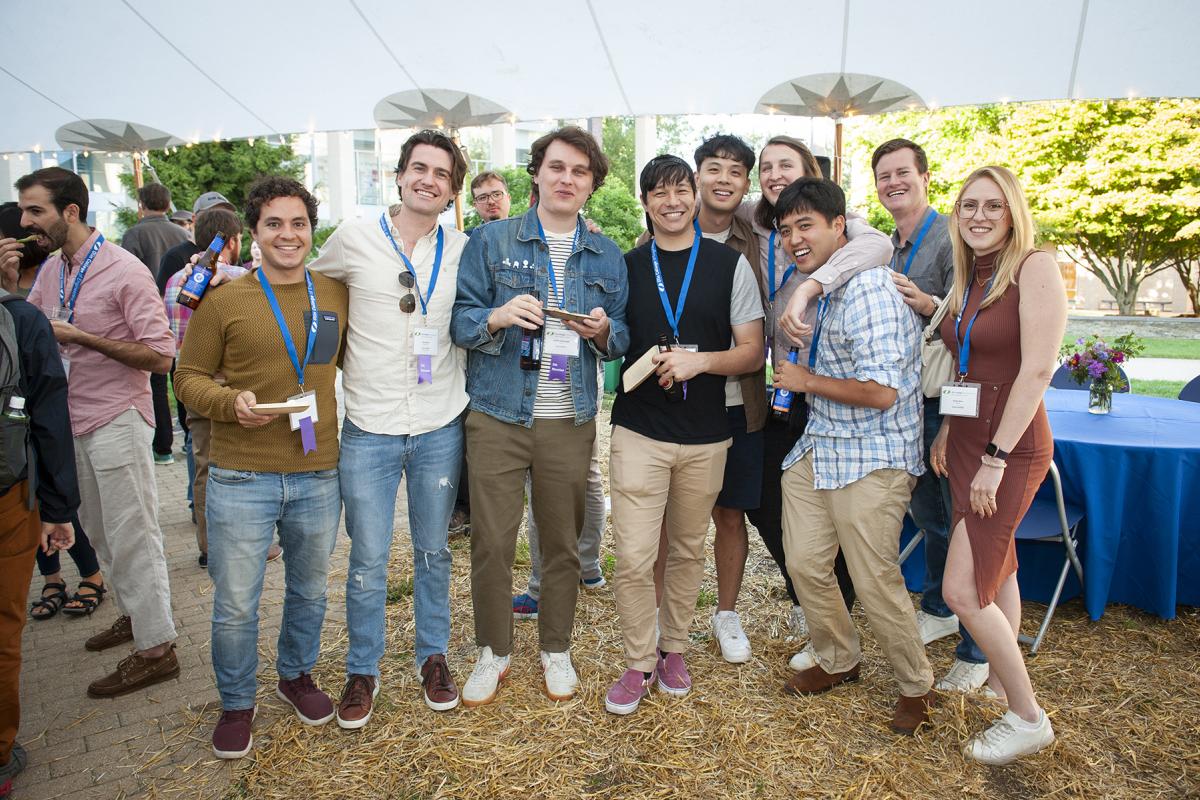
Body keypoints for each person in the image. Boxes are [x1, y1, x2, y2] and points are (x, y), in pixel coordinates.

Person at [451, 125, 628, 707]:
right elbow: (461, 320)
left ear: (591, 185)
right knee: (493, 543)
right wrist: (498, 317)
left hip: (569, 418)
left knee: (562, 543)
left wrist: (603, 331)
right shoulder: (491, 240)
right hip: (498, 415)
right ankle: (494, 652)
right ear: (537, 173)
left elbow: (621, 334)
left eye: (579, 172)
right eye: (557, 167)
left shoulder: (606, 255)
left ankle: (556, 647)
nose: (567, 179)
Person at [174, 176, 348, 759]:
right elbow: (186, 376)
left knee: (308, 592)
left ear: (311, 230)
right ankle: (236, 703)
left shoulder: (333, 294)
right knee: (236, 602)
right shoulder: (225, 300)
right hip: (241, 473)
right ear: (253, 233)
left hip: (317, 468)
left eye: (298, 223)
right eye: (274, 223)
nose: (287, 234)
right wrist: (229, 403)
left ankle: (296, 675)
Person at [308, 129, 471, 725]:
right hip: (369, 423)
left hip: (438, 422)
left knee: (433, 551)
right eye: (419, 169)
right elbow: (304, 286)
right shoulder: (352, 239)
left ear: (452, 190)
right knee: (369, 557)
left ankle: (433, 656)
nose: (429, 180)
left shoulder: (462, 248)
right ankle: (362, 669)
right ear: (398, 176)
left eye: (442, 174)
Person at [772, 178, 934, 735]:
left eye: (806, 226)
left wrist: (805, 380)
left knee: (872, 578)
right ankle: (839, 658)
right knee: (806, 564)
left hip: (874, 454)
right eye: (786, 229)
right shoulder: (828, 284)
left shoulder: (867, 288)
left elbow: (884, 392)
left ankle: (917, 685)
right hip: (822, 444)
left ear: (840, 226)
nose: (795, 239)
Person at [605, 156, 763, 715]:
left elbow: (752, 350)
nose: (671, 201)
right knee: (633, 555)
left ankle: (674, 647)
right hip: (639, 431)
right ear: (645, 202)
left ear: (695, 196)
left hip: (705, 436)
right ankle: (638, 659)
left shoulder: (728, 265)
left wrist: (701, 364)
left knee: (689, 550)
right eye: (659, 193)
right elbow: (612, 338)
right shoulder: (624, 265)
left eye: (681, 190)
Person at [21, 167, 180, 698]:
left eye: (35, 210)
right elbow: (35, 333)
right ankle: (138, 617)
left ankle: (158, 649)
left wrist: (83, 337)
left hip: (117, 416)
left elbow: (161, 356)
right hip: (72, 418)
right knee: (99, 530)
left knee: (133, 533)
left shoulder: (124, 270)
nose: (26, 221)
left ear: (71, 212)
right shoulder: (51, 269)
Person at [931, 166, 1065, 764]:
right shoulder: (973, 274)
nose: (979, 216)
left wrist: (995, 459)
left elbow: (1036, 371)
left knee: (962, 588)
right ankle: (996, 684)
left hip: (1006, 447)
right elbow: (968, 366)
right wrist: (945, 430)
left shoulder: (1035, 265)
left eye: (992, 205)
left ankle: (1028, 716)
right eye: (968, 206)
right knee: (999, 569)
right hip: (966, 440)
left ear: (1013, 212)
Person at [737, 136, 893, 641]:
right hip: (783, 384)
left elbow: (879, 246)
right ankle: (811, 596)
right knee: (766, 497)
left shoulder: (840, 223)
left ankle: (835, 608)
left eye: (787, 165)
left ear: (811, 173)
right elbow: (695, 203)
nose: (774, 174)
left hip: (828, 385)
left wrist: (810, 285)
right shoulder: (756, 222)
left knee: (830, 508)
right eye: (766, 167)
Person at [638, 134, 767, 664]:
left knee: (729, 512)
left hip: (735, 401)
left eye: (735, 172)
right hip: (670, 407)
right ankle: (666, 623)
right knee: (670, 519)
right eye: (712, 169)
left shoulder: (761, 231)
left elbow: (842, 226)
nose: (722, 181)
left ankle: (727, 614)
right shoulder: (644, 255)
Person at [872, 138, 991, 692]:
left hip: (952, 401)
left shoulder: (949, 235)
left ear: (924, 176)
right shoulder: (888, 245)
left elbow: (971, 318)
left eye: (903, 173)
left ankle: (978, 649)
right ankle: (941, 609)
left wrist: (928, 304)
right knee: (931, 513)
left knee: (962, 519)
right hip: (910, 400)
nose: (893, 183)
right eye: (883, 176)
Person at [0, 232, 78, 797]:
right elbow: (48, 420)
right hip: (11, 494)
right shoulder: (22, 321)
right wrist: (58, 510)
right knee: (5, 626)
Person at [0, 203, 105, 621]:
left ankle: (91, 573)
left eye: (35, 217)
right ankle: (51, 577)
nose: (31, 227)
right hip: (13, 432)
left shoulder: (47, 274)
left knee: (54, 498)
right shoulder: (26, 287)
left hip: (40, 418)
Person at [162, 207, 251, 568]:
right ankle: (245, 544)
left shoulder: (173, 282)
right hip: (232, 385)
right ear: (231, 241)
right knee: (243, 465)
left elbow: (171, 334)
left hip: (189, 380)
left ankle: (209, 546)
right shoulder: (240, 278)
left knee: (203, 466)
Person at [122, 183, 191, 466]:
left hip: (148, 317)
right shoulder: (183, 234)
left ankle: (163, 447)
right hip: (183, 314)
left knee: (157, 383)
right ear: (168, 203)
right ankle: (189, 436)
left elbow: (125, 277)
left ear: (141, 205)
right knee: (184, 378)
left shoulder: (134, 234)